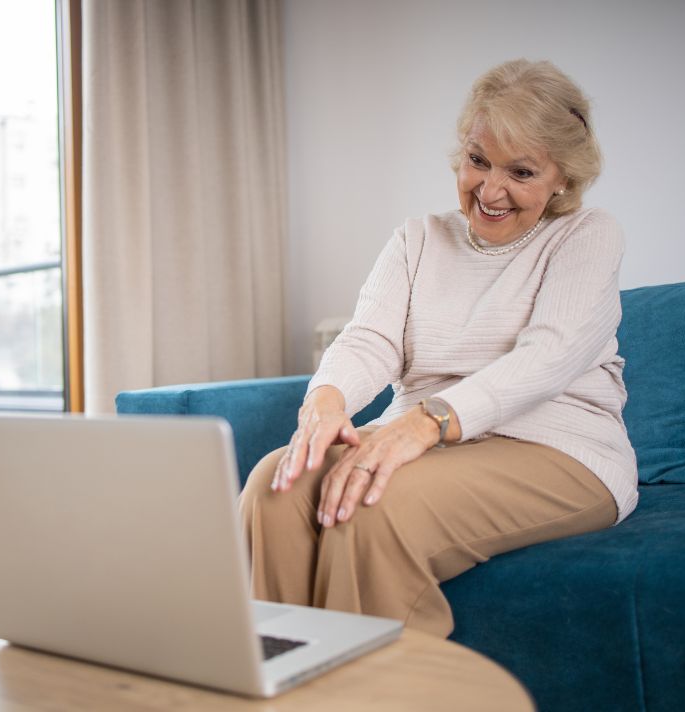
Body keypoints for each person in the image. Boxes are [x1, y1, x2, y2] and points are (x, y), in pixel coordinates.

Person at [237, 59, 638, 638]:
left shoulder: (587, 235)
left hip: (558, 446)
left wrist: (429, 422)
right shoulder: (418, 238)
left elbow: (548, 357)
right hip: (425, 438)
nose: (490, 190)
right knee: (276, 484)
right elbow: (369, 338)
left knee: (371, 506)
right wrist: (325, 402)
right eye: (478, 161)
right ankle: (283, 683)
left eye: (520, 172)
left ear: (563, 180)